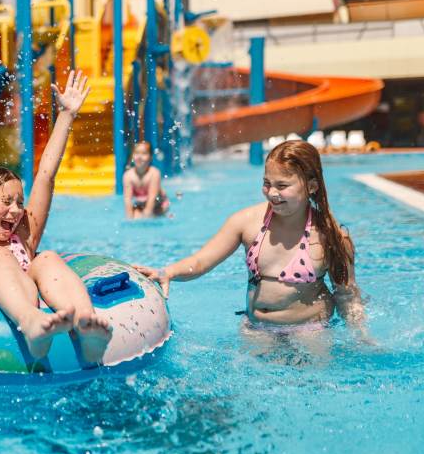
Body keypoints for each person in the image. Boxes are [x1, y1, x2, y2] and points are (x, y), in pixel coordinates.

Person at [0, 58, 112, 362]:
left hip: (24, 291)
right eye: (6, 202)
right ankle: (30, 322)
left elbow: (45, 175)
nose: (17, 211)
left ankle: (86, 323)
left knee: (47, 258)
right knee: (0, 257)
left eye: (19, 202)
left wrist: (67, 114)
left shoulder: (22, 235)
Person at [135, 140, 369, 344]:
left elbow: (346, 294)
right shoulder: (247, 222)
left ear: (311, 186)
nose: (272, 193)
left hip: (311, 330)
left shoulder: (331, 237)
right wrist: (168, 272)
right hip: (257, 328)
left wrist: (360, 336)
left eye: (282, 186)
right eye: (267, 183)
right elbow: (201, 261)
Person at [122, 141, 170, 219]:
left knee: (155, 215)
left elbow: (152, 197)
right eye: (136, 153)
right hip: (141, 202)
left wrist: (146, 216)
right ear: (132, 156)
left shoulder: (154, 173)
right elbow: (127, 199)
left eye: (144, 153)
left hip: (158, 203)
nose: (139, 156)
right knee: (136, 216)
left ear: (150, 157)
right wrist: (129, 218)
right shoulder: (128, 176)